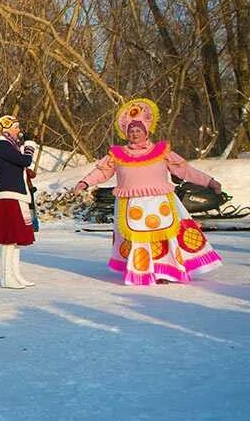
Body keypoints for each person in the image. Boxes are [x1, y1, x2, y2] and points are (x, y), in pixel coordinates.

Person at [71, 97, 222, 286]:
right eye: (131, 131)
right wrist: (84, 182)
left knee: (163, 237)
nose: (134, 134)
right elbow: (101, 172)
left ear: (146, 131)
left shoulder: (162, 152)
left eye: (138, 130)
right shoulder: (117, 155)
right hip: (131, 203)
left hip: (160, 202)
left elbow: (185, 170)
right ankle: (141, 270)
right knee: (137, 238)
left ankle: (164, 271)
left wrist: (209, 181)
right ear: (126, 133)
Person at [0, 115, 38, 289]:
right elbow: (25, 160)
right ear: (6, 129)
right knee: (9, 238)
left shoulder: (10, 146)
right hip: (8, 195)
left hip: (16, 193)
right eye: (15, 127)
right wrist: (29, 148)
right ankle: (7, 276)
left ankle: (15, 274)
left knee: (16, 238)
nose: (19, 130)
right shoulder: (2, 145)